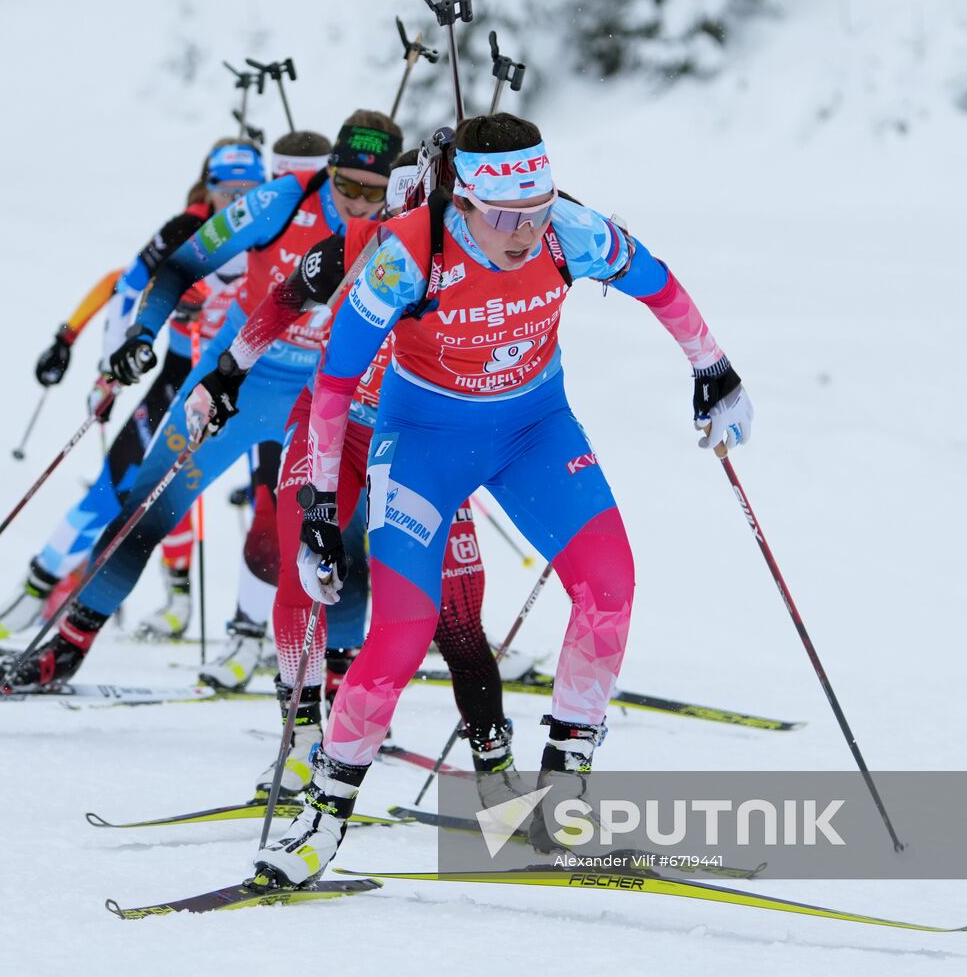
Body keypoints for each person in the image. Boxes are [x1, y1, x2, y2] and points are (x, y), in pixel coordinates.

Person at [252, 112, 754, 887]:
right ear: (463, 204)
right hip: (421, 444)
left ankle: (561, 799)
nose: (523, 233)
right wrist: (321, 505)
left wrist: (712, 366)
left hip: (534, 431)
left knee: (611, 584)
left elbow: (656, 279)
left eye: (537, 209)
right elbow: (336, 380)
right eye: (504, 216)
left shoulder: (570, 233)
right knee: (401, 634)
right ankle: (323, 814)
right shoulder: (406, 255)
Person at [0, 110, 403, 690]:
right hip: (239, 377)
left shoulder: (400, 227)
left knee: (337, 532)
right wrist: (140, 336)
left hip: (321, 394)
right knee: (148, 507)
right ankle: (67, 645)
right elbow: (180, 264)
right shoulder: (281, 201)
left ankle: (340, 686)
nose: (358, 204)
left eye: (374, 192)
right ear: (328, 170)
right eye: (347, 186)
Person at [184, 152, 514, 797]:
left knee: (456, 619)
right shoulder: (366, 242)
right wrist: (229, 370)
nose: (412, 232)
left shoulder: (488, 262)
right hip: (333, 424)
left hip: (422, 445)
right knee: (299, 568)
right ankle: (303, 741)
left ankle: (501, 783)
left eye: (429, 220)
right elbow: (285, 298)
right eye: (405, 217)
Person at [0, 137, 268, 652]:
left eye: (249, 189)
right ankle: (30, 598)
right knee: (118, 489)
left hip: (258, 383)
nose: (237, 199)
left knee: (275, 503)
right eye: (226, 189)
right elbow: (123, 285)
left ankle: (262, 634)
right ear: (208, 189)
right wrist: (106, 367)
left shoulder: (275, 227)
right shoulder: (184, 231)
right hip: (181, 377)